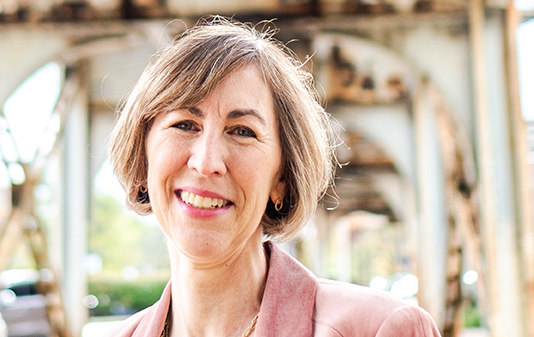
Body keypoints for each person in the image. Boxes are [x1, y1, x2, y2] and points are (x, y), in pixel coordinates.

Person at [106, 16, 441, 337]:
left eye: (242, 131)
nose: (206, 162)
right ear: (143, 158)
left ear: (281, 180)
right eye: (184, 124)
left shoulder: (381, 330)